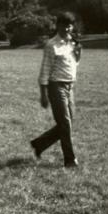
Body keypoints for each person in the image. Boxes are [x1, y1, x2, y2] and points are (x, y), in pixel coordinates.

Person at [30, 11, 82, 168]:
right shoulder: (51, 45)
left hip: (69, 86)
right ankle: (69, 159)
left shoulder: (73, 43)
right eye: (64, 25)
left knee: (67, 123)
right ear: (57, 25)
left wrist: (78, 55)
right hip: (56, 86)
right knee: (65, 123)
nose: (67, 29)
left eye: (70, 25)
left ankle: (39, 144)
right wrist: (43, 94)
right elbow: (45, 70)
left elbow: (73, 64)